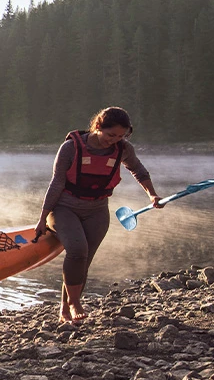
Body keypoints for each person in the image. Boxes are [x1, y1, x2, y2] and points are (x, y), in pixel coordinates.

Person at [34, 107, 162, 325]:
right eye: (111, 135)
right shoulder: (70, 147)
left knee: (84, 260)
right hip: (64, 208)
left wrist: (152, 195)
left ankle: (66, 308)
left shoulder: (123, 149)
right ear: (98, 127)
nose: (114, 140)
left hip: (97, 210)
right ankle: (75, 303)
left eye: (121, 136)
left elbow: (139, 171)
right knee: (77, 250)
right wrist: (42, 217)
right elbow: (56, 183)